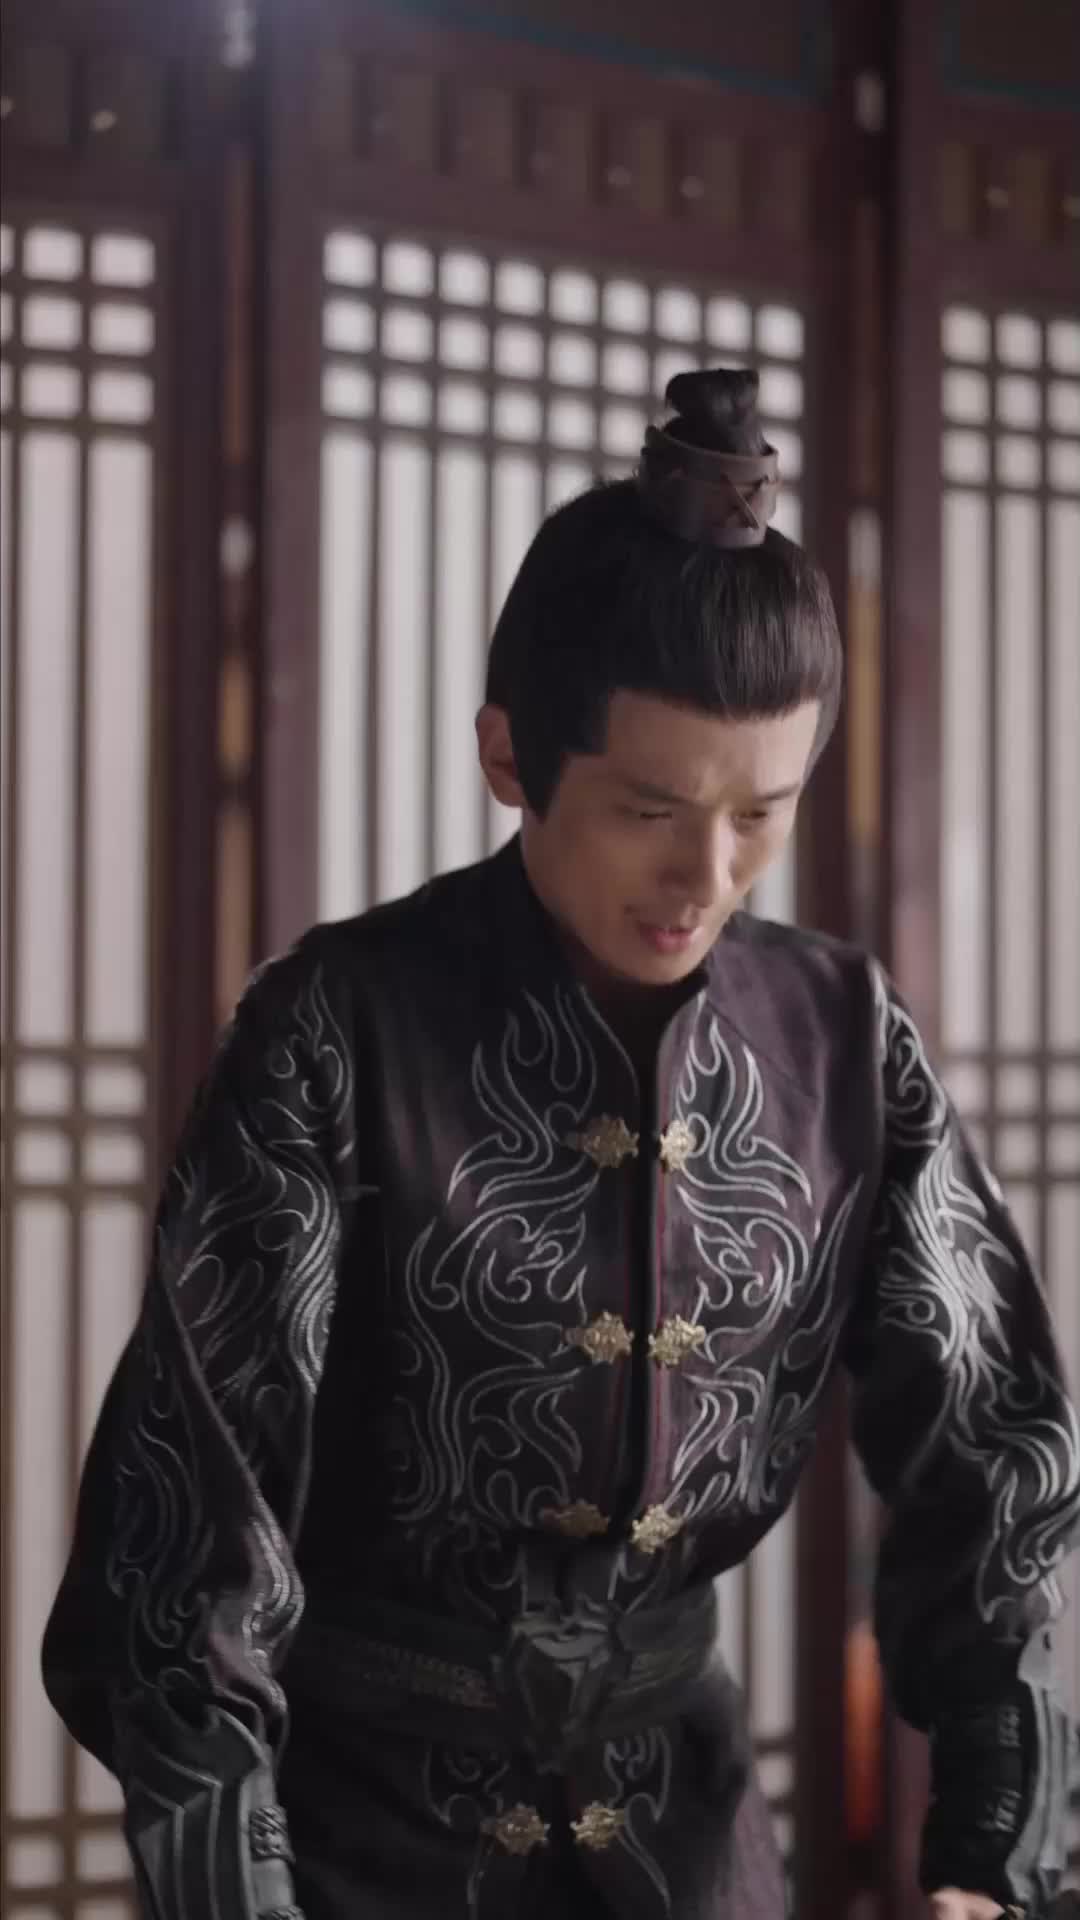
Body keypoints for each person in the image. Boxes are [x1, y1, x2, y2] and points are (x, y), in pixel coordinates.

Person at [43, 368, 1079, 1920]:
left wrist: (997, 1852)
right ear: (510, 754)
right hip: (354, 1845)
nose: (707, 874)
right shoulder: (338, 1028)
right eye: (651, 809)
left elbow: (995, 1453)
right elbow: (193, 1529)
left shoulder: (843, 1038)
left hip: (690, 1839)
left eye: (761, 813)